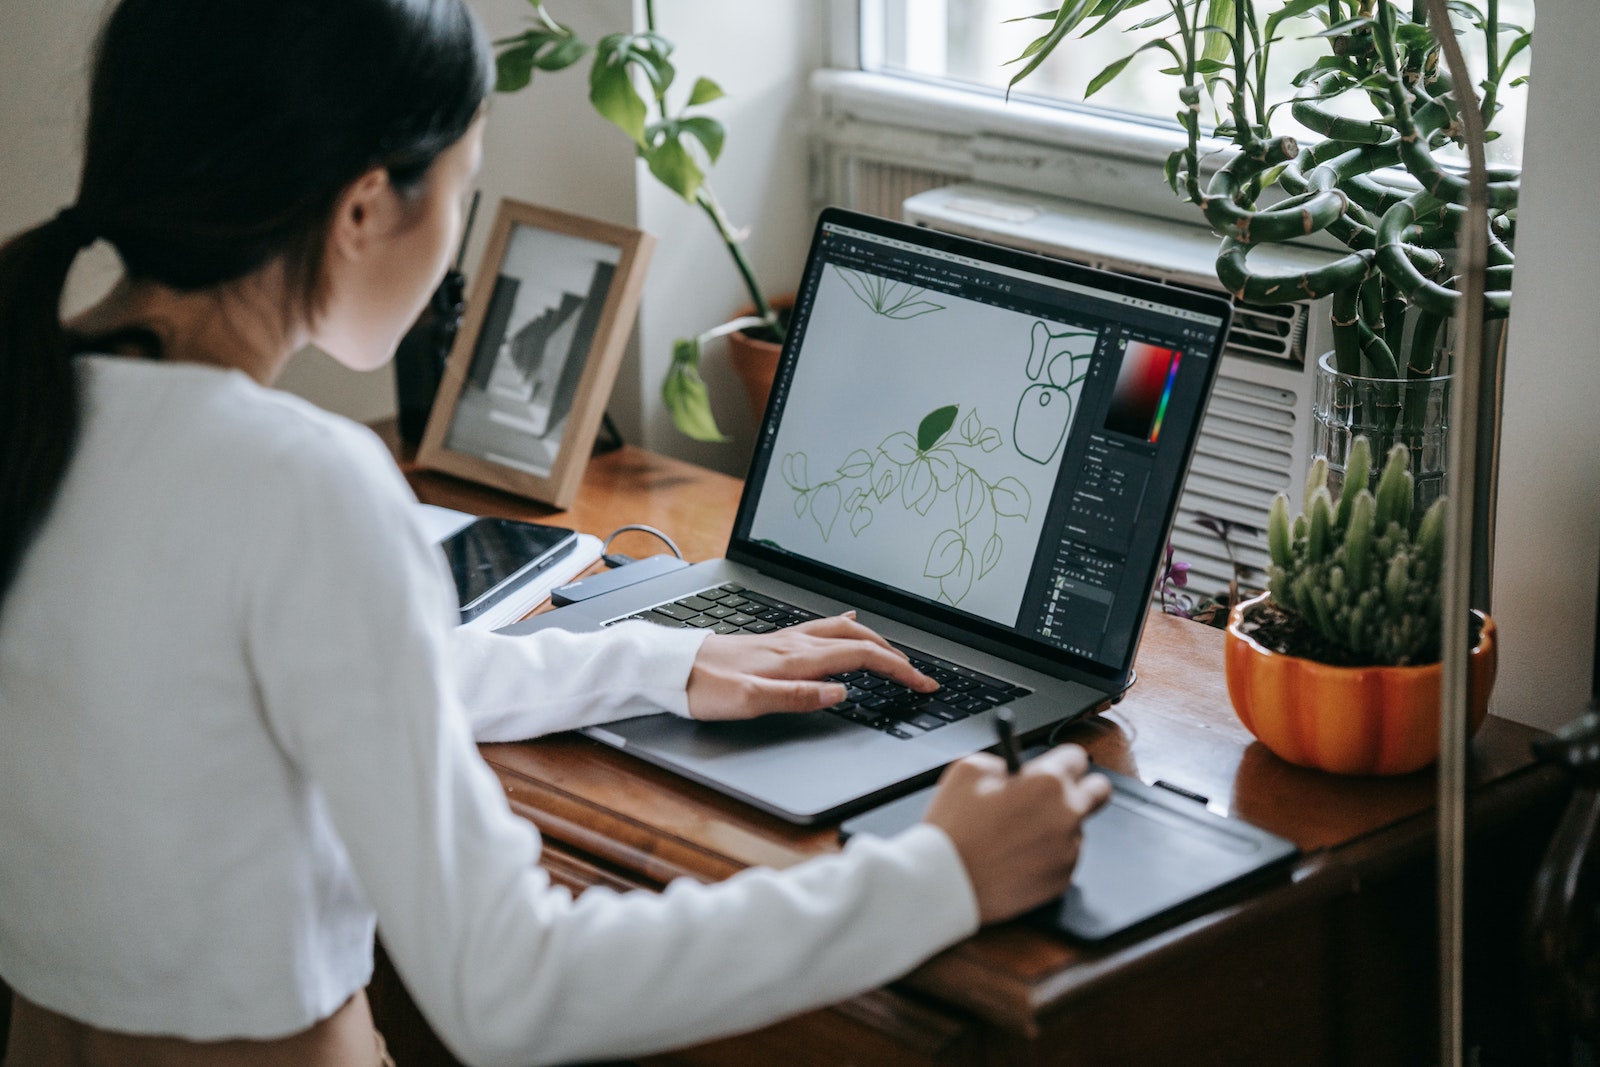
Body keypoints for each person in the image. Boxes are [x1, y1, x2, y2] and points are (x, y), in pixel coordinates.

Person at [0, 1, 1111, 1064]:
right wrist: (938, 875)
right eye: (463, 192)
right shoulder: (300, 483)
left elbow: (284, 676)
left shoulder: (36, 409)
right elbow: (509, 987)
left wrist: (663, 660)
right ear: (362, 209)